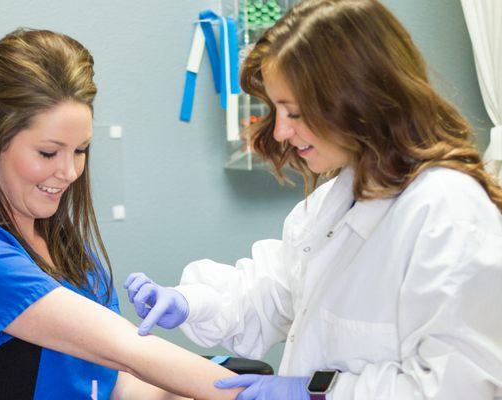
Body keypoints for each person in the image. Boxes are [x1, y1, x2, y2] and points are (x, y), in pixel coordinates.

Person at [124, 0, 502, 398]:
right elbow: (273, 293)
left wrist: (319, 392)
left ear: (359, 99)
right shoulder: (335, 202)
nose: (282, 132)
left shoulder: (448, 212)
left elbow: (467, 383)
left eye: (296, 113)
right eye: (278, 110)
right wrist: (192, 302)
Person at [0, 28, 243, 400]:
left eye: (81, 150)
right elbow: (128, 351)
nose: (69, 172)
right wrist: (253, 395)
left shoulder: (65, 245)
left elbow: (115, 380)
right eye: (49, 153)